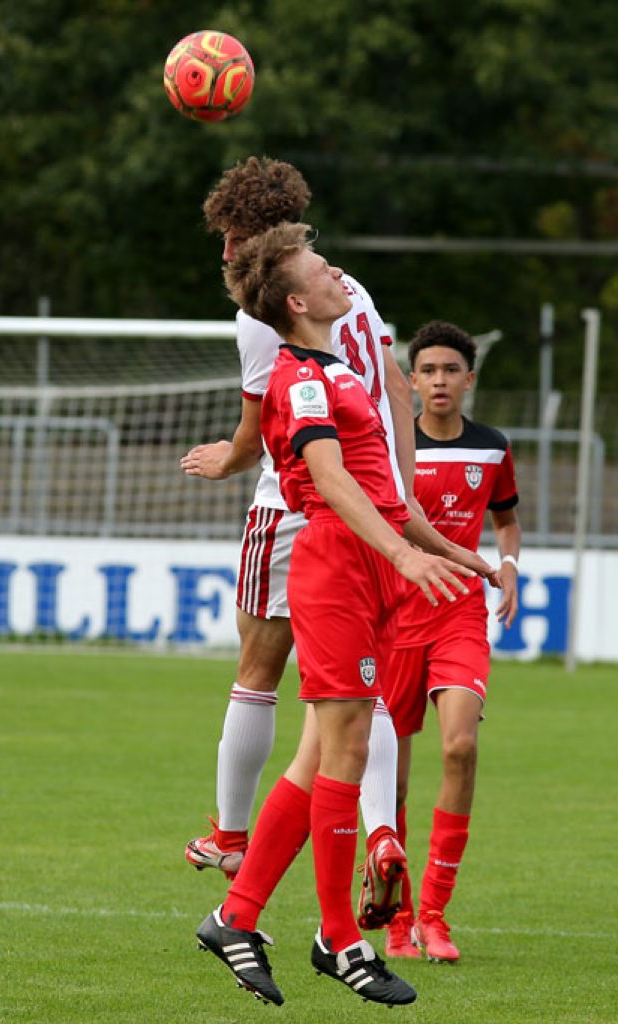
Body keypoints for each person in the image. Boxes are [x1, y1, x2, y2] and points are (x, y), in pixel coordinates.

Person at [195, 223, 498, 1007]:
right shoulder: (301, 377)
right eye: (321, 268)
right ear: (297, 302)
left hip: (370, 567)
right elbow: (330, 479)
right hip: (337, 569)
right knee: (346, 752)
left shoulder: (341, 368)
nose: (337, 273)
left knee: (320, 758)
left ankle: (237, 916)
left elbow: (385, 491)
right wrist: (402, 553)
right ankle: (337, 936)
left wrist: (452, 552)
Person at [381, 320, 521, 962]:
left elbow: (506, 518)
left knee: (461, 747)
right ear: (412, 381)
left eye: (451, 370)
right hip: (393, 619)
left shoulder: (492, 448)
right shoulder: (390, 447)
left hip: (459, 613)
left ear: (470, 378)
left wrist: (509, 564)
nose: (440, 381)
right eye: (429, 371)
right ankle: (397, 916)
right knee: (392, 785)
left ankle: (434, 916)